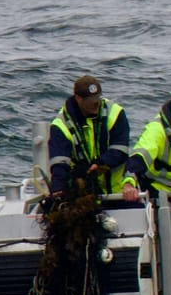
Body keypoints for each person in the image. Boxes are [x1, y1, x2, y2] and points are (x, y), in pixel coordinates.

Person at [46, 74, 137, 203]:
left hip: (117, 193)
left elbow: (120, 150)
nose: (96, 103)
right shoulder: (61, 125)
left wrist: (99, 163)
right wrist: (58, 191)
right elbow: (60, 163)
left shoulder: (115, 113)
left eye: (97, 98)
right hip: (82, 197)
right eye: (90, 101)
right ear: (78, 99)